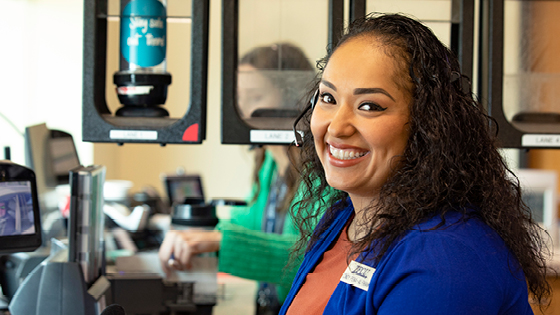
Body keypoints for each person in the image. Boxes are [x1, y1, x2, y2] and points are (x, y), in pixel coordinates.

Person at [280, 13, 551, 314]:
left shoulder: (445, 258)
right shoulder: (343, 219)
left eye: (369, 106)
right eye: (328, 98)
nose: (336, 127)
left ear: (427, 125)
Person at [159, 43, 321, 314]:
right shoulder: (269, 162)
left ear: (291, 100)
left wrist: (219, 241)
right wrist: (194, 232)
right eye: (238, 98)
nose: (242, 109)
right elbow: (249, 223)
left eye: (254, 97)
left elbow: (313, 257)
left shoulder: (321, 172)